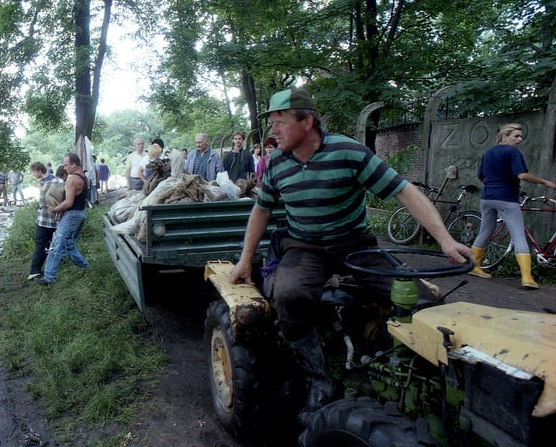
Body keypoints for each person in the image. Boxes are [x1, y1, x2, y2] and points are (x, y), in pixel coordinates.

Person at [229, 87, 472, 422]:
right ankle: (318, 377)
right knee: (288, 295)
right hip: (304, 247)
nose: (273, 131)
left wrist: (445, 240)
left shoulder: (348, 151)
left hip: (354, 244)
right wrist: (245, 259)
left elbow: (403, 191)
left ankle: (401, 365)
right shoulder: (276, 165)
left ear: (307, 122)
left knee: (421, 299)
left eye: (280, 122)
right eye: (271, 123)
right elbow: (261, 211)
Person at [469, 123, 556, 287]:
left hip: (487, 198)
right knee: (518, 236)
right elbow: (522, 175)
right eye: (516, 136)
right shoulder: (512, 152)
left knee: (485, 232)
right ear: (504, 137)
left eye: (520, 136)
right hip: (507, 198)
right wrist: (545, 182)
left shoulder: (487, 153)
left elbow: (480, 177)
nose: (520, 139)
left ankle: (474, 266)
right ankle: (527, 278)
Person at [35, 153, 90, 286]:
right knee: (68, 244)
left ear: (74, 164)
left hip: (71, 215)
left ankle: (49, 278)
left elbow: (69, 202)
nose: (64, 168)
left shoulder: (72, 179)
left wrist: (55, 209)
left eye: (66, 165)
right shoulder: (84, 177)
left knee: (56, 246)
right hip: (80, 214)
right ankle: (86, 266)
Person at [28, 162, 57, 281]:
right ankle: (49, 268)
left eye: (34, 172)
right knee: (51, 244)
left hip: (44, 219)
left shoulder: (46, 183)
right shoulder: (55, 179)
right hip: (54, 219)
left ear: (39, 170)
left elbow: (42, 202)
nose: (33, 174)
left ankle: (35, 271)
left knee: (40, 244)